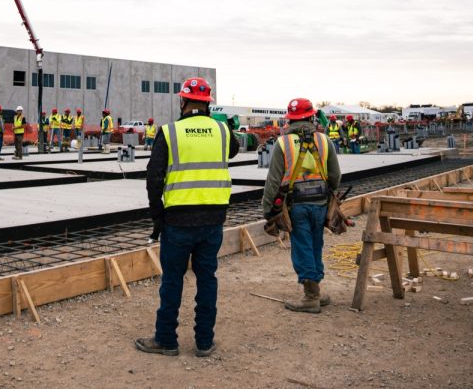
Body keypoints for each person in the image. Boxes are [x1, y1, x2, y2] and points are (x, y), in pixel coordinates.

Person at [136, 76, 238, 358]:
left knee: (172, 281)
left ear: (182, 101)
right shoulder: (222, 131)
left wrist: (157, 217)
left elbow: (154, 178)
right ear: (208, 104)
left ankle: (166, 339)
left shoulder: (169, 132)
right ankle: (204, 341)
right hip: (213, 220)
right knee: (207, 279)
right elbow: (234, 149)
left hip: (178, 221)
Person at [263, 98, 341, 313]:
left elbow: (273, 180)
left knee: (302, 246)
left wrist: (267, 209)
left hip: (296, 205)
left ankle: (311, 296)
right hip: (320, 204)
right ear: (312, 116)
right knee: (316, 245)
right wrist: (329, 195)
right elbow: (335, 176)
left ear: (290, 119)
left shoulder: (283, 143)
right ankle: (315, 288)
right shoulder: (325, 141)